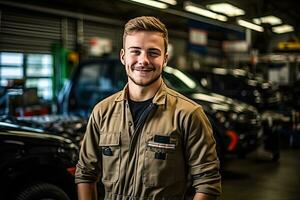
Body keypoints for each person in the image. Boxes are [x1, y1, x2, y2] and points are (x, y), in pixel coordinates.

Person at [75, 16, 221, 200]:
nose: (143, 60)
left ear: (165, 59)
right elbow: (85, 174)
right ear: (123, 56)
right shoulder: (102, 112)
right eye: (135, 51)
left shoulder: (188, 114)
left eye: (153, 52)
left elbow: (208, 183)